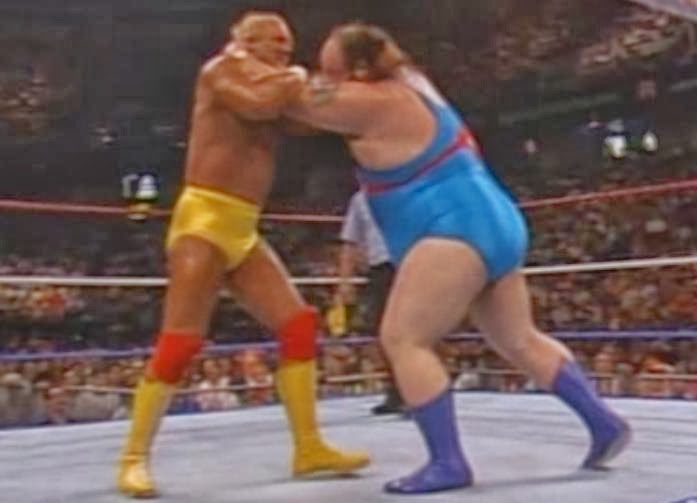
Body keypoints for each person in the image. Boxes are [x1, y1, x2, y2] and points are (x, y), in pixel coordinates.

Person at [284, 23, 631, 494]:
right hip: (494, 218)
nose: (327, 77)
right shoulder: (414, 83)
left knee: (404, 339)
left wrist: (257, 65)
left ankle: (447, 462)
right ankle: (603, 422)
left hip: (452, 226)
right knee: (518, 339)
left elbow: (287, 102)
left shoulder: (372, 100)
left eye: (333, 68)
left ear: (360, 70)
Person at [116, 12, 369, 498]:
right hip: (203, 220)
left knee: (298, 325)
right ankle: (133, 459)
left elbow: (308, 119)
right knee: (181, 341)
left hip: (244, 227)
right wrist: (298, 76)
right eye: (274, 40)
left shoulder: (277, 84)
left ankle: (308, 447)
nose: (283, 48)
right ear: (247, 42)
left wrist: (345, 90)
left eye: (288, 42)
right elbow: (258, 105)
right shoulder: (221, 71)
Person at [335, 190, 404, 414]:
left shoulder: (409, 189)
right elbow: (350, 242)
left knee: (412, 331)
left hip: (411, 264)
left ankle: (420, 394)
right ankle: (397, 393)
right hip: (380, 270)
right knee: (384, 332)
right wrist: (345, 281)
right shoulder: (360, 199)